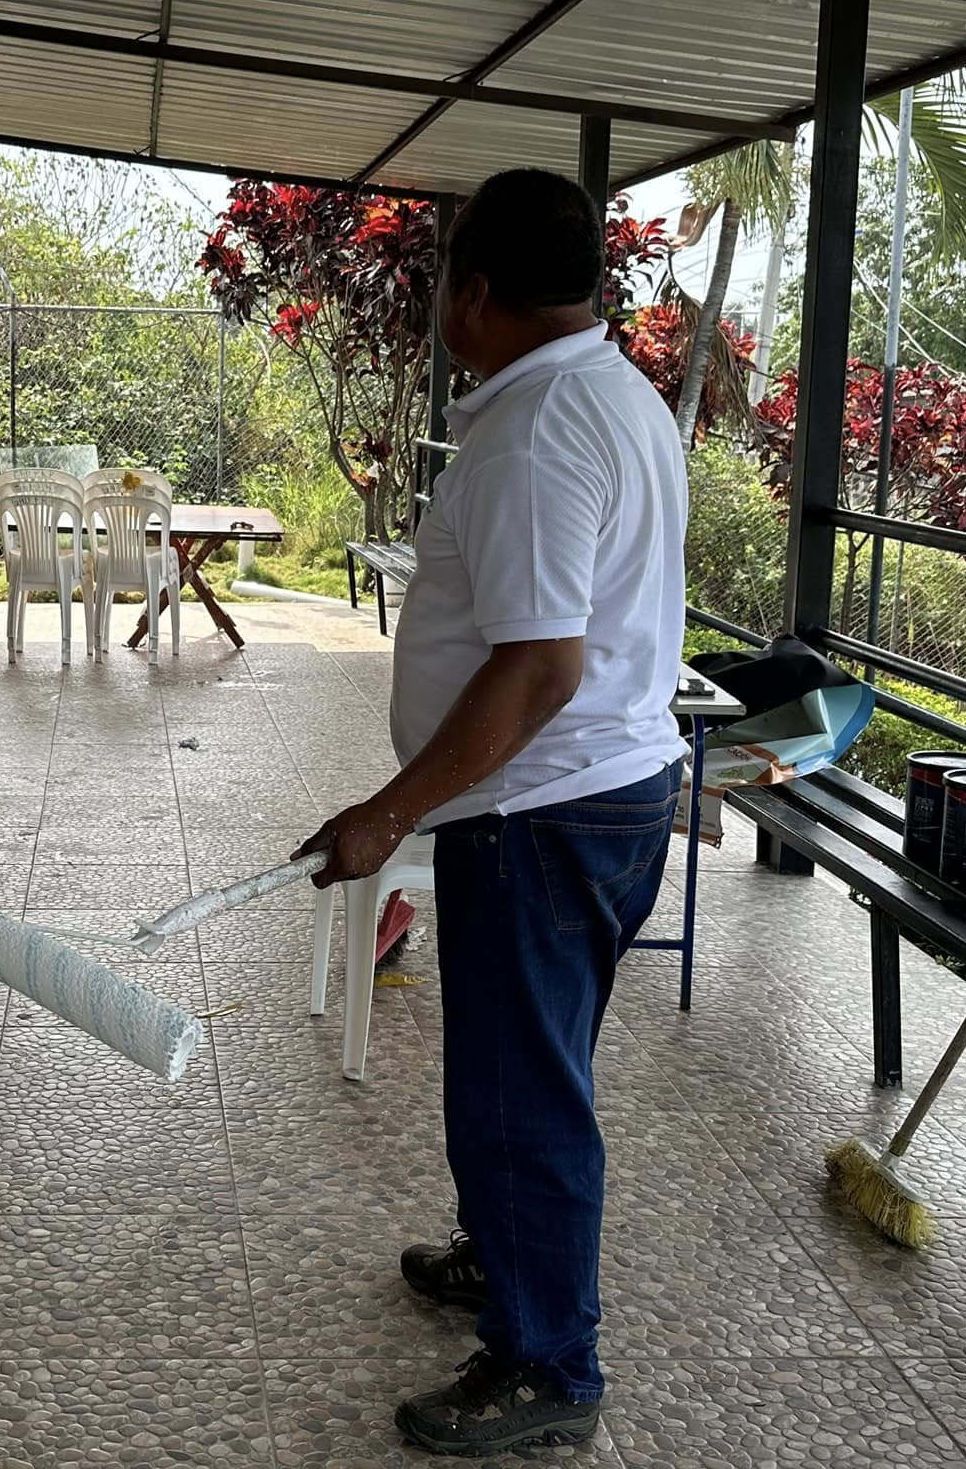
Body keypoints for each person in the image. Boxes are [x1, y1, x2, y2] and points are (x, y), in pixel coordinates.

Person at [297, 169, 687, 1455]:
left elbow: (537, 668)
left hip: (541, 811)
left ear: (472, 293)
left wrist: (383, 814)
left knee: (521, 1098)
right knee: (529, 1074)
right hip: (598, 795)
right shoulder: (612, 393)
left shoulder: (535, 433)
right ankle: (503, 1259)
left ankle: (547, 1365)